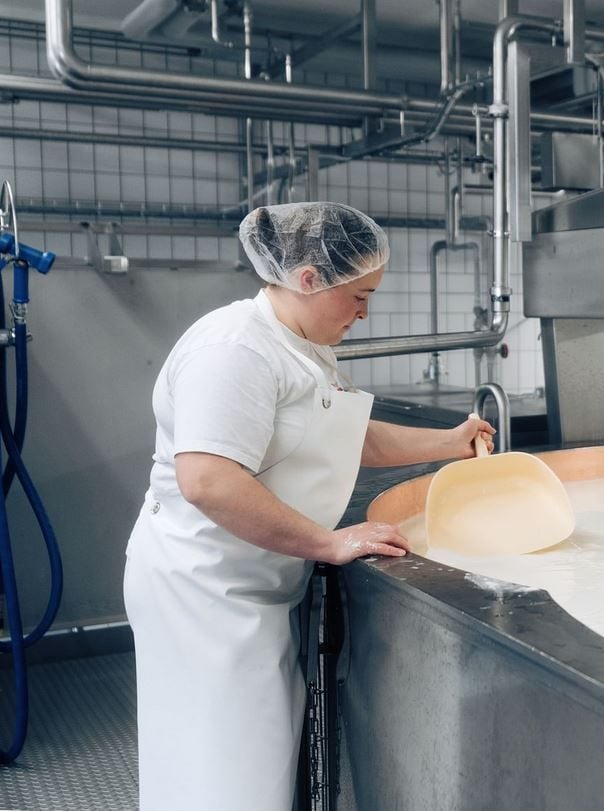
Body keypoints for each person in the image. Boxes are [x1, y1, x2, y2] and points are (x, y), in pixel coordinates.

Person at [123, 201, 494, 811]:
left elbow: (349, 437)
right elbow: (208, 480)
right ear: (308, 278)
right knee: (222, 778)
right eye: (359, 296)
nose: (364, 312)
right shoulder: (235, 350)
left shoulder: (300, 344)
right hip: (203, 589)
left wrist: (449, 443)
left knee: (250, 768)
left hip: (254, 581)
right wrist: (331, 542)